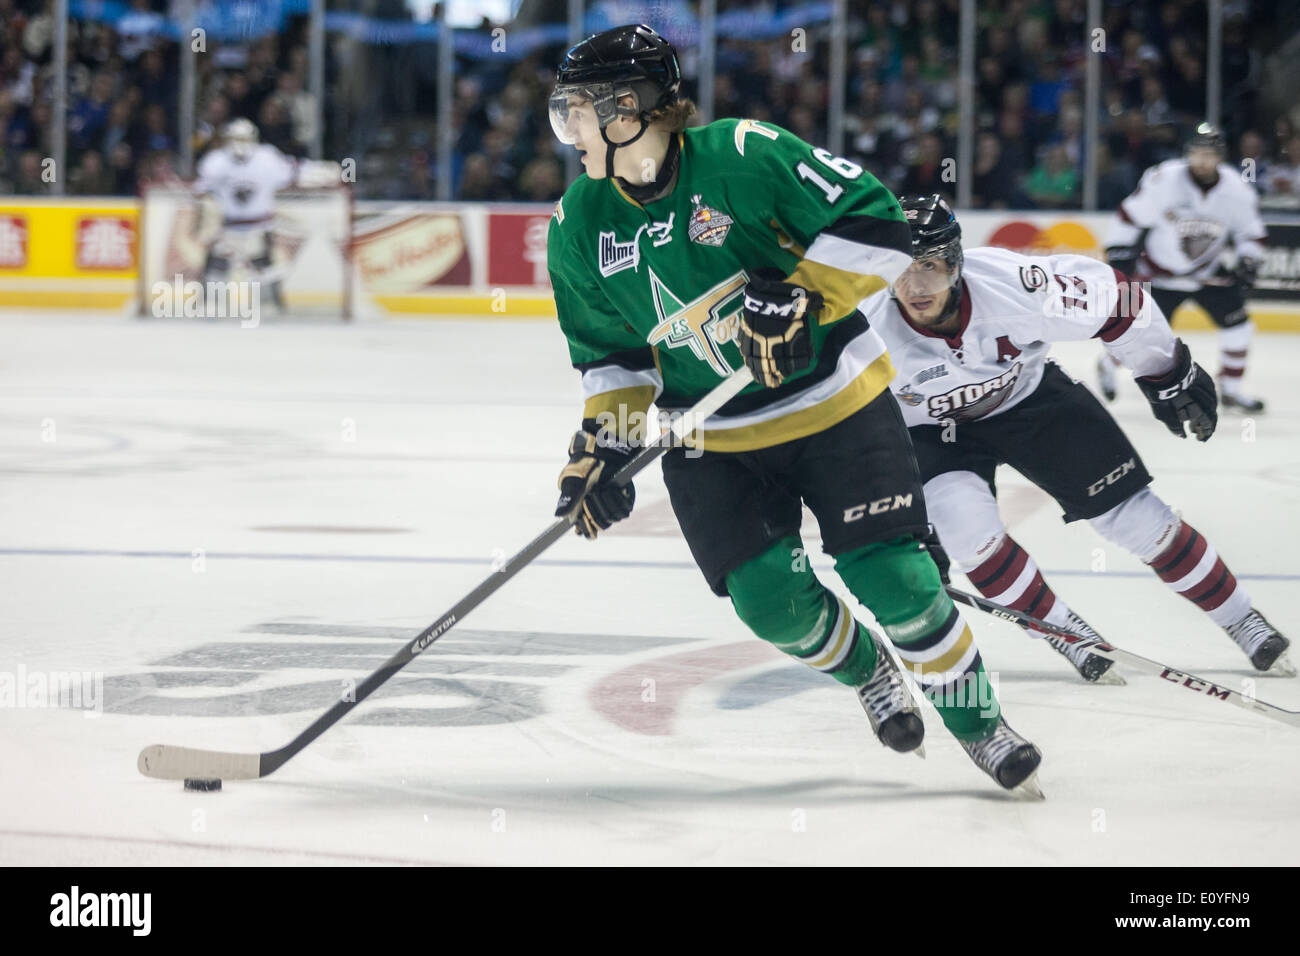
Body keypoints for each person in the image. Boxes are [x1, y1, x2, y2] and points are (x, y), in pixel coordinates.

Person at [545, 25, 1043, 793]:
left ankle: (981, 725)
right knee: (771, 603)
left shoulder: (744, 154)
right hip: (713, 438)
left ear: (629, 110)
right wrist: (603, 447)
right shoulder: (578, 223)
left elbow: (879, 223)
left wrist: (801, 297)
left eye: (578, 111)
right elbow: (614, 355)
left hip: (835, 404)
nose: (568, 130)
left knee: (901, 584)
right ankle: (870, 672)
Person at [862, 194, 1292, 680]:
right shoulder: (863, 324)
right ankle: (1067, 632)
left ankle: (1243, 619)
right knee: (969, 538)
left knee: (1138, 519)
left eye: (932, 268)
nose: (916, 287)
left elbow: (1119, 297)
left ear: (957, 264)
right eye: (902, 270)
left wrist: (1166, 370)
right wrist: (900, 511)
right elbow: (839, 419)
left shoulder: (1016, 288)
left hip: (1028, 400)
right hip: (930, 432)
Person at [1099, 123, 1268, 411]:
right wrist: (1119, 252)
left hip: (1206, 273)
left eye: (1209, 155)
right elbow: (1129, 216)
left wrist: (1248, 261)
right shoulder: (1163, 179)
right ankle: (1107, 364)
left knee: (1239, 327)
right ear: (1187, 154)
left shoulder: (1237, 189)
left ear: (1221, 157)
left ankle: (1230, 388)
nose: (1202, 161)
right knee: (1133, 331)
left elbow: (1250, 234)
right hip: (1156, 271)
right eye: (1197, 153)